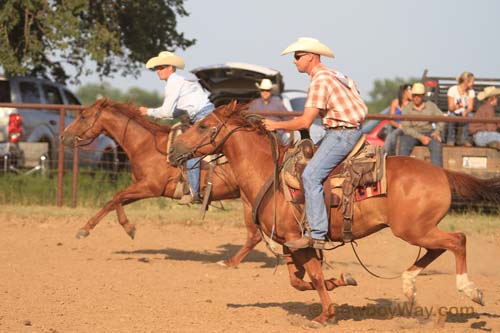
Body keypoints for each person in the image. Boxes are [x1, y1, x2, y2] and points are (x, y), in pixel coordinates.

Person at [262, 37, 367, 249]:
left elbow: (305, 121)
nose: (294, 61)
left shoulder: (319, 80)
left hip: (341, 133)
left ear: (310, 57)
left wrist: (276, 125)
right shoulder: (337, 75)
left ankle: (317, 233)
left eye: (297, 56)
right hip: (345, 128)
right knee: (303, 147)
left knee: (310, 175)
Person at [138, 51, 215, 204]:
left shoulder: (173, 82)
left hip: (202, 116)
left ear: (171, 68)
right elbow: (178, 110)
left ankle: (194, 192)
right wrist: (158, 114)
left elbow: (167, 111)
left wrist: (149, 111)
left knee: (190, 152)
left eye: (162, 67)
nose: (158, 71)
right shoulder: (181, 80)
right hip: (204, 113)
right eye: (157, 68)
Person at [398, 83, 444, 167]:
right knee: (403, 144)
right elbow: (406, 128)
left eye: (418, 95)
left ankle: (437, 173)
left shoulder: (430, 106)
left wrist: (437, 132)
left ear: (423, 95)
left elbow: (442, 118)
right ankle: (401, 169)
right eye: (414, 95)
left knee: (436, 145)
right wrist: (421, 137)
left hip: (429, 132)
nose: (416, 98)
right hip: (412, 134)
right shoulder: (407, 108)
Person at [248, 79, 291, 144]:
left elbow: (288, 118)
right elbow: (248, 120)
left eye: (267, 90)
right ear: (260, 91)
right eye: (263, 90)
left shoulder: (277, 102)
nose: (265, 92)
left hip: (276, 134)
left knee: (287, 137)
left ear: (271, 91)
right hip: (258, 134)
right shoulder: (254, 103)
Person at [446, 71, 475, 146]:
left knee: (470, 116)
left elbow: (470, 107)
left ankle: (464, 140)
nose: (473, 83)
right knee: (452, 116)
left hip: (463, 113)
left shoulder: (471, 92)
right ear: (466, 82)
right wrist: (458, 106)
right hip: (454, 113)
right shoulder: (452, 90)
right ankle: (450, 140)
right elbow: (450, 107)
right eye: (472, 81)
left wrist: (466, 112)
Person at [383, 84, 412, 155]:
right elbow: (391, 119)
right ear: (405, 92)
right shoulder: (396, 102)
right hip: (395, 126)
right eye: (410, 91)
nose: (412, 93)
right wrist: (398, 125)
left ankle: (391, 154)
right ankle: (386, 153)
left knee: (393, 135)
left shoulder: (411, 104)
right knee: (390, 135)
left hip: (406, 127)